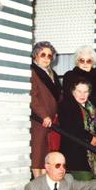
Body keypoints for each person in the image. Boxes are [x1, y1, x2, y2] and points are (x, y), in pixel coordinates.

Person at [30, 41, 62, 178]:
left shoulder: (52, 73)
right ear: (35, 56)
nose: (47, 58)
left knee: (47, 153)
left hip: (52, 120)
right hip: (39, 120)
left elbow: (58, 96)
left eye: (50, 56)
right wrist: (43, 115)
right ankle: (38, 183)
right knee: (37, 153)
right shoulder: (32, 72)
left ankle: (45, 183)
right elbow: (33, 96)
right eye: (43, 55)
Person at [58, 79, 96, 180]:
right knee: (83, 184)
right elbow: (70, 127)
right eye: (79, 91)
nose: (82, 95)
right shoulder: (66, 105)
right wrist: (90, 138)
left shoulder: (91, 106)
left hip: (91, 152)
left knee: (91, 184)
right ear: (73, 91)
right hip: (75, 152)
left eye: (85, 92)